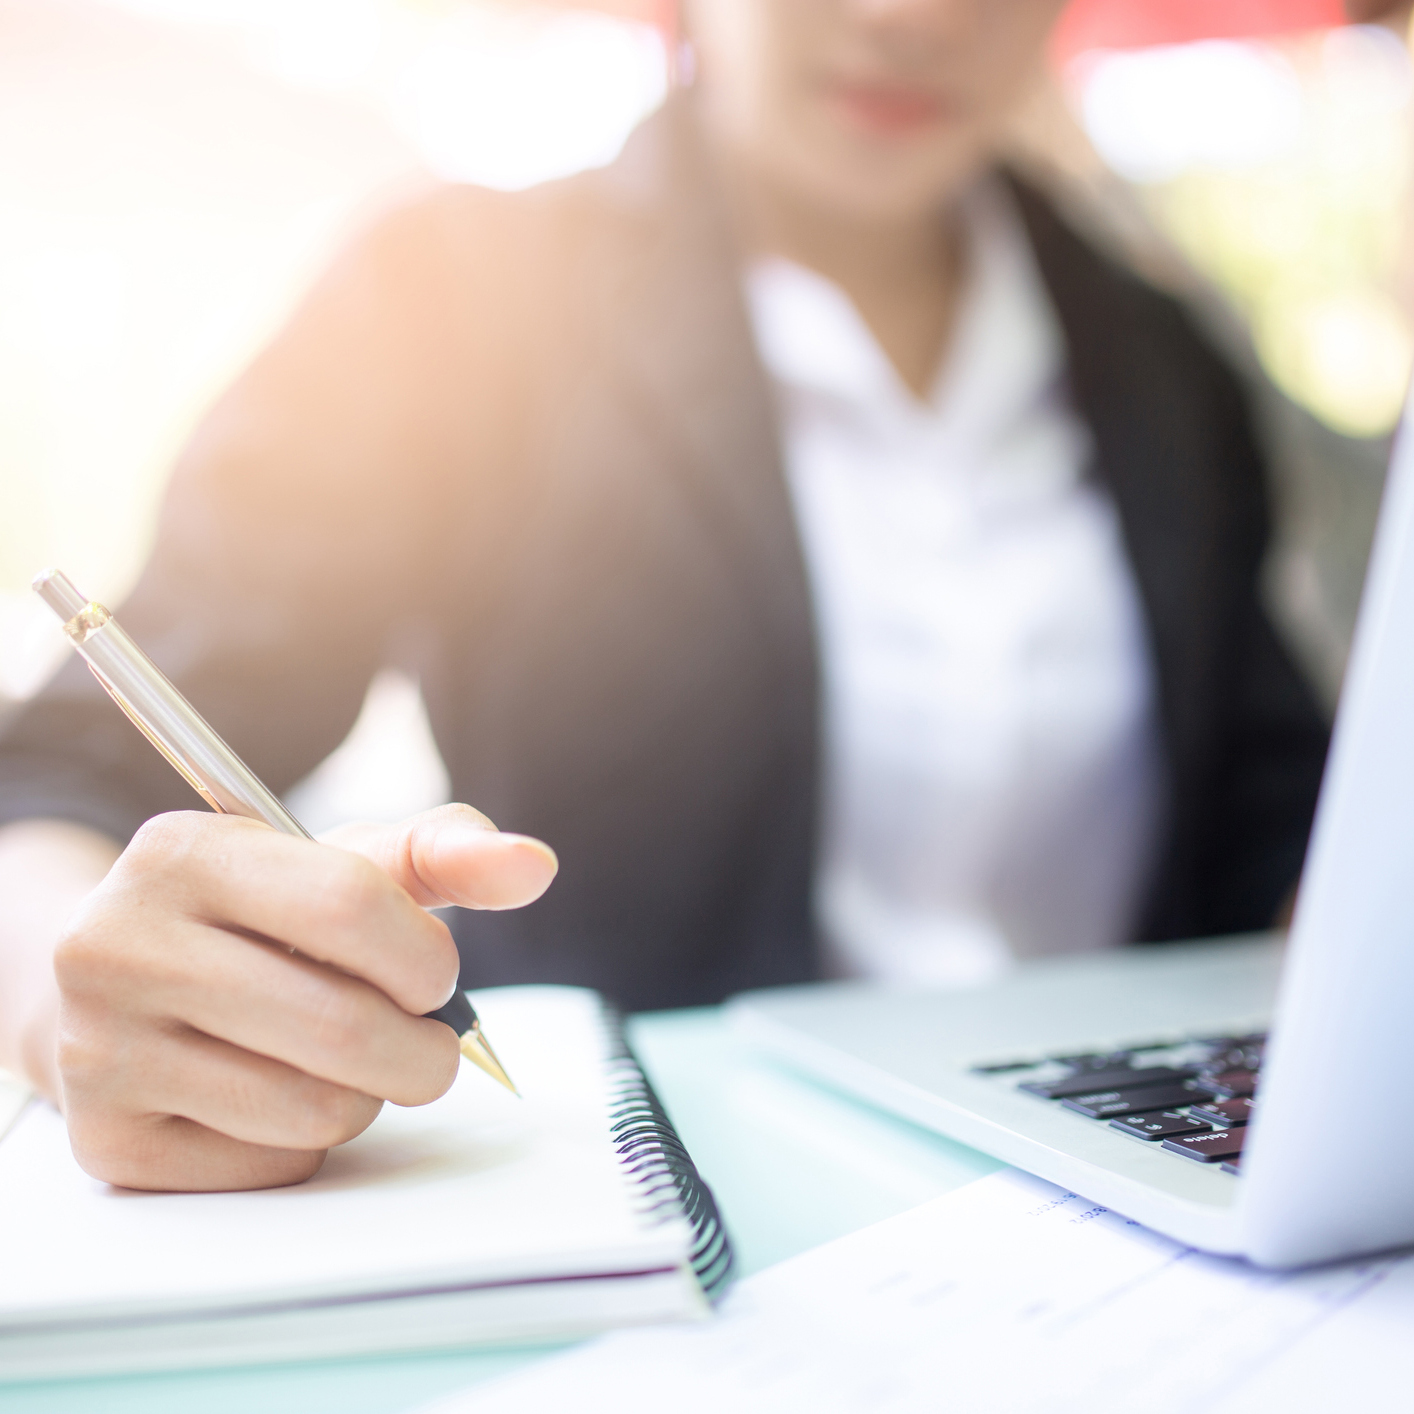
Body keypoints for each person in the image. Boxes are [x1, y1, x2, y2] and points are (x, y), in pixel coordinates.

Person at [0, 0, 1328, 1193]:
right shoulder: (448, 295)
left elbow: (1275, 820)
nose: (911, 15)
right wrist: (85, 1005)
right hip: (645, 1201)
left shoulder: (1161, 355)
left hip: (1134, 1199)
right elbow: (67, 779)